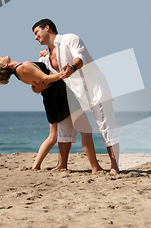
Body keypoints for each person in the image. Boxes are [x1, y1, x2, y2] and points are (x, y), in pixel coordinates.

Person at [32, 18, 120, 174]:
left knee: (106, 128)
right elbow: (42, 80)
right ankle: (62, 164)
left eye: (37, 33)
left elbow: (80, 58)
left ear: (47, 28)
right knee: (64, 128)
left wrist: (72, 67)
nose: (35, 37)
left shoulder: (70, 39)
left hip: (94, 89)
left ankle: (114, 166)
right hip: (71, 96)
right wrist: (36, 89)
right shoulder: (44, 58)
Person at [0, 56, 104, 173]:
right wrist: (64, 73)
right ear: (4, 65)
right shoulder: (24, 66)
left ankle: (36, 165)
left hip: (49, 100)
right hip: (62, 96)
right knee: (86, 131)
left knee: (52, 137)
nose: (1, 57)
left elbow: (36, 84)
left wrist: (37, 87)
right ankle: (95, 167)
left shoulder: (19, 74)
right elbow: (45, 78)